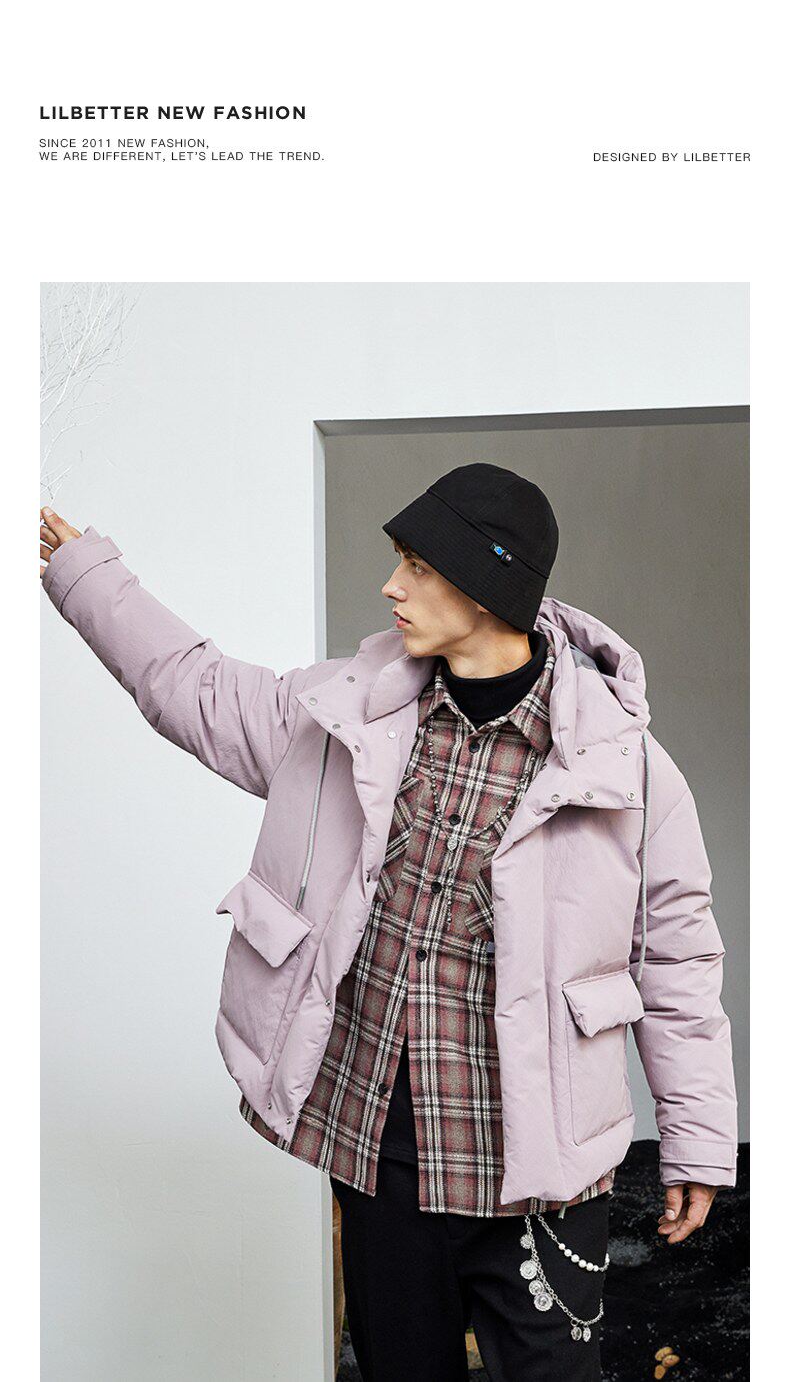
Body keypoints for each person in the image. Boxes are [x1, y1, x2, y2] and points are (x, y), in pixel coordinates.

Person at [40, 462, 737, 1382]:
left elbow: (678, 961)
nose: (391, 587)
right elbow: (195, 688)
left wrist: (696, 1137)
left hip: (541, 1169)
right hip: (383, 1154)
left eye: (418, 565)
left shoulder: (627, 770)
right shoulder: (347, 715)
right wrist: (88, 576)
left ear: (485, 587)